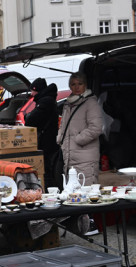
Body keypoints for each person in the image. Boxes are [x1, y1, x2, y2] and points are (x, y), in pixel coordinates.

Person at [57, 72, 103, 235]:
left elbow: (96, 128)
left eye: (80, 84)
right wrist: (60, 138)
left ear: (85, 85)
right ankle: (79, 224)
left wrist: (78, 139)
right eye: (73, 84)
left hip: (85, 154)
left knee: (87, 189)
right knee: (74, 189)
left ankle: (91, 224)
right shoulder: (69, 103)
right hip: (70, 154)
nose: (76, 87)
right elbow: (64, 125)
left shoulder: (90, 103)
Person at [24, 81, 61, 189]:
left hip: (47, 142)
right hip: (49, 140)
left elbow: (31, 119)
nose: (31, 93)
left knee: (47, 169)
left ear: (36, 90)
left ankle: (51, 191)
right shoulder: (47, 99)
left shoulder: (45, 101)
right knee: (48, 168)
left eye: (32, 90)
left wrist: (28, 116)